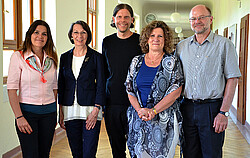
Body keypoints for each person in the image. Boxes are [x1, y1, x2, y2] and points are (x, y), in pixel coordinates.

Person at [176, 5, 241, 158]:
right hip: (187, 108)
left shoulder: (224, 45)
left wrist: (223, 112)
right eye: (193, 18)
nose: (197, 21)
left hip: (212, 109)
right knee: (189, 154)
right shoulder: (181, 47)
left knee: (211, 154)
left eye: (201, 17)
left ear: (210, 20)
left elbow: (232, 79)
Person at [125, 21, 184, 158]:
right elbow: (129, 89)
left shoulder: (172, 61)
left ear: (166, 40)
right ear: (147, 39)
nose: (155, 39)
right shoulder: (136, 61)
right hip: (139, 118)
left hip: (164, 120)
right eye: (152, 35)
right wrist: (140, 110)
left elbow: (176, 91)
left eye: (160, 36)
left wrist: (154, 110)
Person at [7, 20, 58, 158]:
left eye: (44, 34)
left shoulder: (51, 58)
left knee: (44, 154)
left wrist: (55, 113)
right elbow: (12, 89)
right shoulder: (19, 57)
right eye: (36, 32)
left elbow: (54, 88)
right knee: (30, 154)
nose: (40, 36)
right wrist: (19, 117)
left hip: (49, 115)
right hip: (27, 115)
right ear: (30, 34)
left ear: (48, 38)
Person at [58, 20, 105, 158]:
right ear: (71, 35)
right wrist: (60, 112)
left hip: (91, 110)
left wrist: (97, 109)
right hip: (69, 110)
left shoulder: (97, 57)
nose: (79, 36)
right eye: (76, 32)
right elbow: (62, 85)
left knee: (89, 152)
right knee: (76, 152)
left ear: (88, 35)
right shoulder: (65, 57)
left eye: (83, 32)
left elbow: (101, 84)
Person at [102, 3, 142, 158]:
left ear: (132, 20)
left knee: (136, 147)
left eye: (126, 17)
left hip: (135, 104)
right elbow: (105, 72)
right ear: (114, 19)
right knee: (116, 148)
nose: (123, 20)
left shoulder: (140, 41)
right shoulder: (107, 42)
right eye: (119, 17)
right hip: (112, 102)